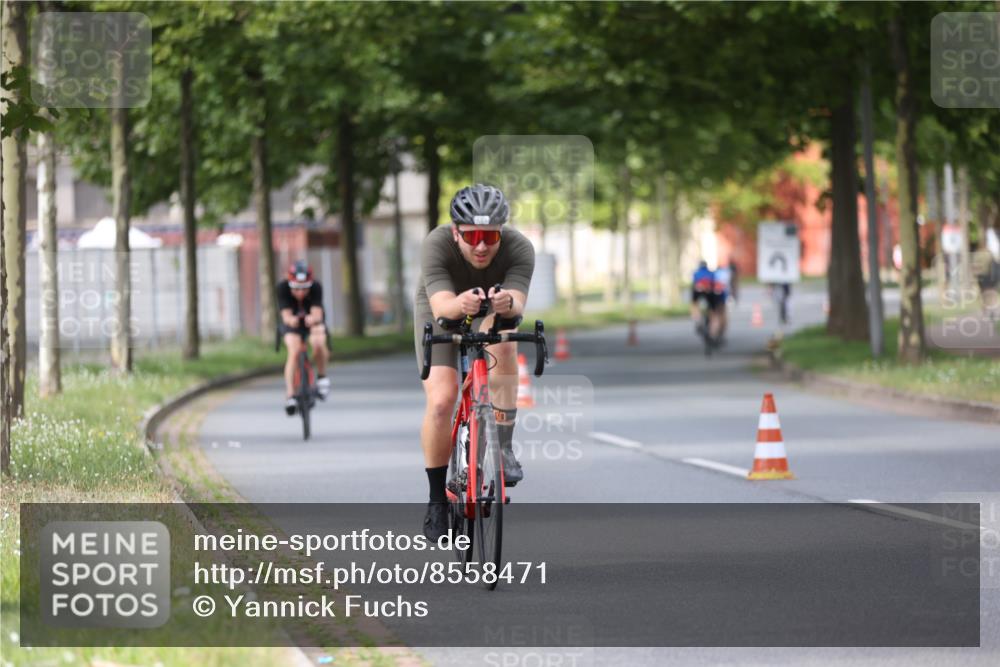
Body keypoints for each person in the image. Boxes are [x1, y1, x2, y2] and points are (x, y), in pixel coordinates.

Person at [414, 184, 535, 540]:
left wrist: (504, 305)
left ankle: (504, 446)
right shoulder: (436, 244)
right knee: (441, 399)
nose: (481, 245)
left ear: (502, 232)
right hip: (444, 305)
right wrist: (460, 305)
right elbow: (441, 308)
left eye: (490, 235)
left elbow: (517, 303)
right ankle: (437, 500)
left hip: (494, 306)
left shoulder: (519, 247)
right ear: (456, 232)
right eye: (472, 236)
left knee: (506, 345)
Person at [277, 260, 330, 415]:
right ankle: (290, 394)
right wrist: (291, 320)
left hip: (311, 321)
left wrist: (313, 319)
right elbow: (286, 315)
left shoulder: (316, 287)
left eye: (304, 288)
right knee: (293, 351)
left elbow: (317, 312)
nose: (301, 293)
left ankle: (321, 377)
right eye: (297, 289)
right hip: (292, 323)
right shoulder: (282, 288)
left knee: (319, 342)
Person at [689, 261, 724, 342]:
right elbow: (716, 285)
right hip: (710, 293)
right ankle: (713, 333)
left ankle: (697, 319)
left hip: (698, 291)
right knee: (714, 313)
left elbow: (694, 284)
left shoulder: (696, 273)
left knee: (694, 304)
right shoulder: (711, 274)